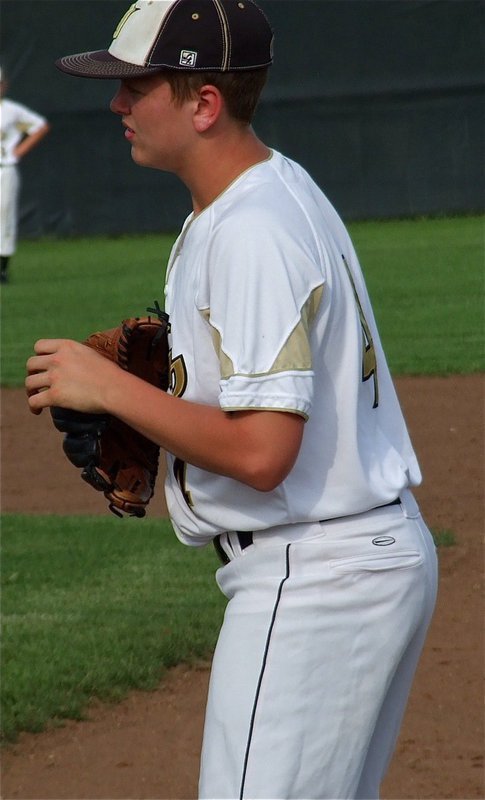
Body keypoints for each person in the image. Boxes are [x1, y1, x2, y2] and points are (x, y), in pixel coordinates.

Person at [25, 2, 438, 797]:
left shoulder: (253, 230)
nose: (117, 104)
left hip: (316, 578)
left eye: (135, 86)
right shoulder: (262, 195)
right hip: (346, 563)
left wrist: (108, 386)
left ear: (203, 102)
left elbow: (261, 454)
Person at [0, 66, 50, 284]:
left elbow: (39, 126)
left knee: (4, 218)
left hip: (4, 169)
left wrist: (17, 151)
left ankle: (2, 269)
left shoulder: (10, 111)